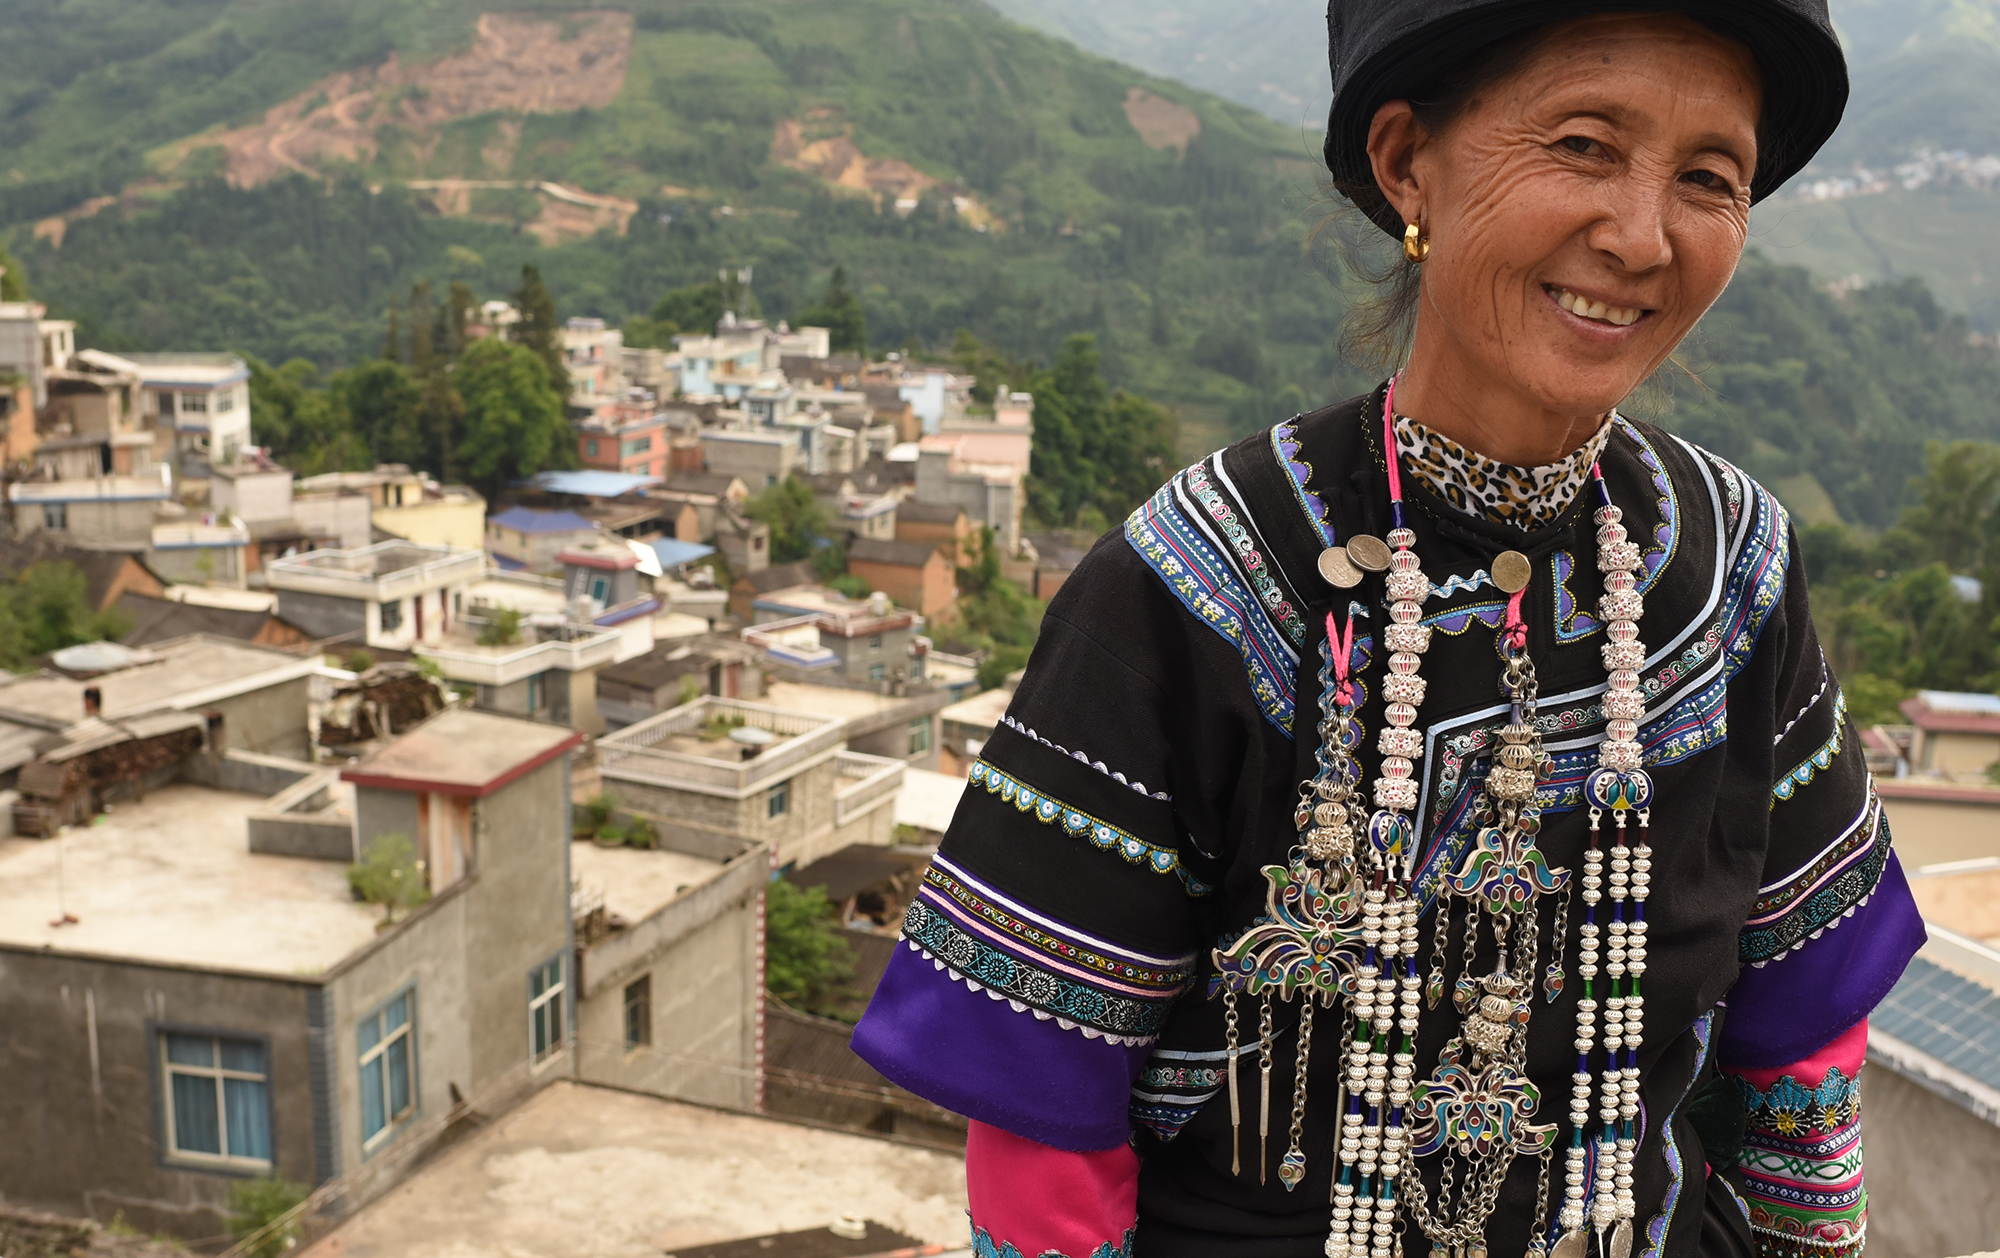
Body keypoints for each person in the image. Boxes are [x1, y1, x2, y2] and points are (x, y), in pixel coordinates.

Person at [852, 1, 1925, 1255]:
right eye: (1581, 144)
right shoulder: (1189, 587)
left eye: (1706, 177)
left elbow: (1800, 1051)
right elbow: (1044, 1153)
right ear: (1406, 159)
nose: (1639, 236)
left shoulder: (1728, 563)